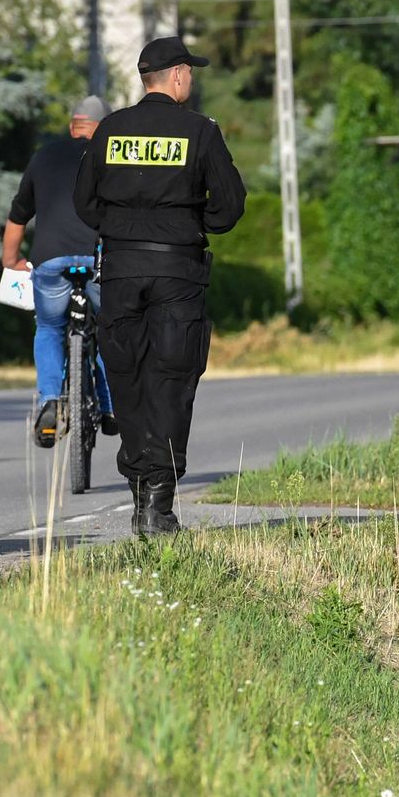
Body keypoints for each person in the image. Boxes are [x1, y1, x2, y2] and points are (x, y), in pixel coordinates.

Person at [74, 36, 246, 535]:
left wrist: (123, 229)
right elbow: (230, 204)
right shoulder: (199, 131)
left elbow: (84, 202)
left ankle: (138, 492)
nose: (192, 78)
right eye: (189, 70)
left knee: (127, 379)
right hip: (177, 271)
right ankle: (157, 502)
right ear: (175, 75)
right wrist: (194, 223)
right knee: (171, 381)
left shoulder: (111, 129)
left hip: (122, 271)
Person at [2, 95, 116, 447]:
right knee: (112, 328)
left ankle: (51, 399)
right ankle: (112, 407)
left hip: (50, 259)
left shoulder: (44, 156)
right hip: (98, 261)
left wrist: (11, 261)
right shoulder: (109, 158)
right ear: (103, 130)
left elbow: (17, 217)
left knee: (50, 326)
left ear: (72, 126)